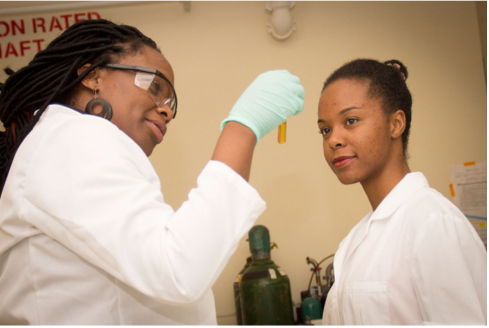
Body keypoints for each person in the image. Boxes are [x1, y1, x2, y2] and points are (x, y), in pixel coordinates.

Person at [0, 19, 304, 324]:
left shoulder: (69, 144)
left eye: (171, 102)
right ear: (94, 77)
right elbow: (178, 269)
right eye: (155, 87)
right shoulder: (70, 138)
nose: (167, 110)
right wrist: (242, 128)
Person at [317, 59, 486, 325]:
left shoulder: (432, 222)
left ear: (396, 124)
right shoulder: (354, 241)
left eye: (350, 120)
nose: (333, 140)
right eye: (325, 130)